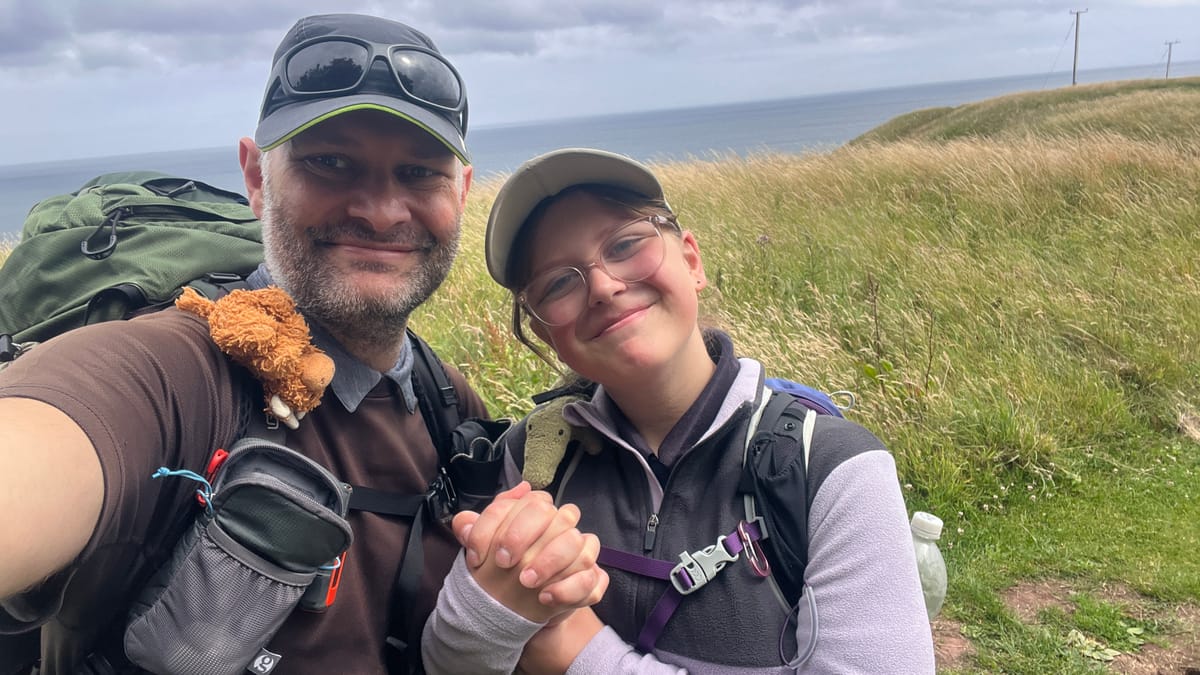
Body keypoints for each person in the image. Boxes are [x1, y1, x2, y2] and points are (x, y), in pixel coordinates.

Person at [0, 14, 601, 675]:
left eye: (419, 172)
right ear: (256, 178)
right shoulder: (179, 373)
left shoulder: (446, 402)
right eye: (330, 163)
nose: (381, 211)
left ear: (459, 193)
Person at [422, 148, 937, 673]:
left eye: (625, 245)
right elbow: (450, 664)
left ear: (692, 261)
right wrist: (481, 615)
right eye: (558, 283)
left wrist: (579, 654)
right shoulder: (534, 462)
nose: (603, 287)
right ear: (545, 333)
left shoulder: (832, 471)